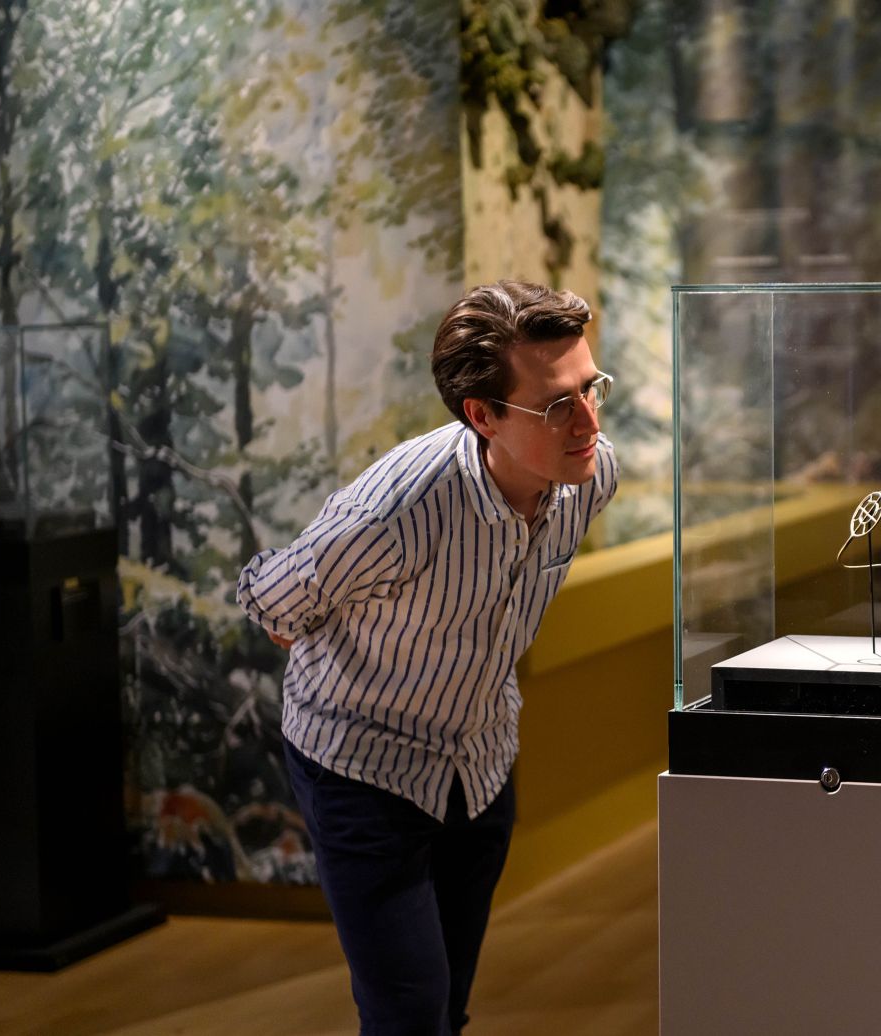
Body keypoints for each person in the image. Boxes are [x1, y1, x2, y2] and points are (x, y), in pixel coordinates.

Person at [236, 280, 617, 1034]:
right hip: (361, 767)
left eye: (590, 388)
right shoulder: (401, 510)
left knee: (447, 1001)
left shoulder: (590, 475)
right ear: (483, 416)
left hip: (476, 759)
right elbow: (271, 594)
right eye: (556, 404)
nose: (587, 422)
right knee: (407, 1012)